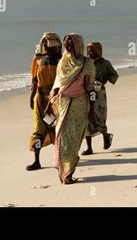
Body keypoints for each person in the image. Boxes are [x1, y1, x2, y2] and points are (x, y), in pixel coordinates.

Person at [49, 33, 95, 184]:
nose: (67, 47)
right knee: (61, 136)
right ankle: (63, 170)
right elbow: (57, 85)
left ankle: (68, 172)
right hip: (62, 103)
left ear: (78, 45)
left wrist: (92, 108)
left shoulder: (86, 63)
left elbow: (90, 88)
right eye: (65, 45)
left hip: (80, 105)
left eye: (70, 44)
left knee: (74, 139)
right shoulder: (63, 62)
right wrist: (50, 102)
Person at [27, 32, 62, 171]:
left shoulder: (61, 61)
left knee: (56, 128)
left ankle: (60, 157)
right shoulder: (37, 60)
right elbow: (35, 80)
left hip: (55, 100)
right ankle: (37, 160)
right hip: (40, 100)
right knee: (39, 129)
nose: (48, 48)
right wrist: (32, 97)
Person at [82, 42, 118, 155]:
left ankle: (106, 136)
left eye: (92, 50)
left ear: (98, 51)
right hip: (86, 93)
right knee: (87, 119)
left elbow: (114, 76)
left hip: (100, 94)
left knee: (99, 117)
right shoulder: (85, 63)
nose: (89, 53)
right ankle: (89, 148)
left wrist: (105, 79)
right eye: (88, 50)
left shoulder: (105, 63)